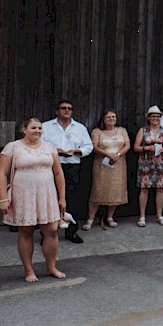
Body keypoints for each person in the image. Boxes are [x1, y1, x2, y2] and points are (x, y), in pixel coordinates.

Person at [0, 118, 67, 282]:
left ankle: (51, 267)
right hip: (24, 194)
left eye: (40, 128)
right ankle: (28, 270)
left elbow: (58, 173)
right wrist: (3, 199)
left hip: (47, 193)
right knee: (26, 232)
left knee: (52, 230)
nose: (37, 131)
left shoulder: (49, 147)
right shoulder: (13, 147)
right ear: (24, 129)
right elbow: (1, 174)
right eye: (33, 127)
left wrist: (62, 197)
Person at [41, 99, 92, 243]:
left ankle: (71, 232)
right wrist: (54, 151)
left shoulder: (80, 128)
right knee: (48, 199)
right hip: (51, 166)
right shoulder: (46, 126)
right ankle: (47, 234)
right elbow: (39, 144)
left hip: (72, 166)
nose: (67, 110)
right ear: (57, 111)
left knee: (72, 199)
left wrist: (77, 151)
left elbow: (89, 146)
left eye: (69, 108)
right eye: (63, 108)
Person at [85, 109, 130, 231]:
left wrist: (118, 154)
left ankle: (110, 217)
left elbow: (127, 145)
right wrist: (108, 154)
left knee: (116, 190)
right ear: (103, 119)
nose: (111, 119)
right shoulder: (97, 131)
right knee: (98, 189)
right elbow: (94, 146)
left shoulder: (122, 130)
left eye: (113, 117)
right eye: (109, 117)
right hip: (102, 164)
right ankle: (90, 219)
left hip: (119, 164)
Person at [133, 106, 163, 227]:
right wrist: (146, 148)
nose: (156, 118)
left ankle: (159, 215)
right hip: (145, 163)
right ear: (149, 118)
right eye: (153, 116)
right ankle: (142, 216)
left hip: (160, 163)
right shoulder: (143, 130)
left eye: (158, 116)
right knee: (144, 189)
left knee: (160, 189)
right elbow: (136, 147)